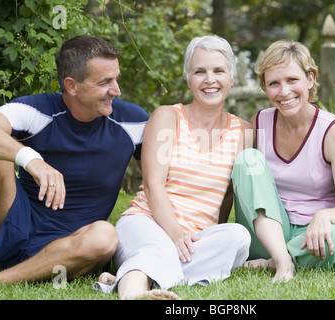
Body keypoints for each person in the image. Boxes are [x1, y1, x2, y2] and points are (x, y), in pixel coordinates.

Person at [95, 35, 252, 300]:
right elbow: (154, 184)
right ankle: (133, 294)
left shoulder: (244, 131)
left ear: (232, 78)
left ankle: (127, 275)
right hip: (146, 223)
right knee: (156, 248)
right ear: (188, 78)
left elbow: (227, 196)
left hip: (194, 240)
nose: (209, 79)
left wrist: (202, 236)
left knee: (238, 236)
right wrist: (176, 234)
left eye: (218, 71)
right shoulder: (167, 117)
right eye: (199, 71)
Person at [0, 35, 149, 284]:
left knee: (105, 235)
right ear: (72, 86)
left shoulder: (132, 121)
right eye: (105, 82)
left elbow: (165, 177)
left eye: (116, 79)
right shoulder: (39, 110)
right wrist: (31, 159)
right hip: (12, 227)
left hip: (72, 248)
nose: (116, 90)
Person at [232, 40, 335, 283]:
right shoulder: (258, 123)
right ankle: (282, 260)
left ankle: (273, 262)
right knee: (247, 159)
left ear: (310, 79)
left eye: (292, 80)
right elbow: (237, 187)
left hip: (313, 237)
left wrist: (325, 216)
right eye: (274, 83)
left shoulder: (332, 131)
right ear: (264, 87)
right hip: (265, 235)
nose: (284, 92)